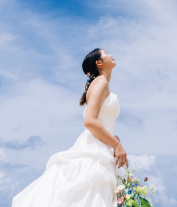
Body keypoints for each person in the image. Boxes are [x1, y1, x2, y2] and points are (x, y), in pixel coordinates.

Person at [12, 48, 128, 207]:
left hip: (103, 145)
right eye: (106, 53)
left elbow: (99, 120)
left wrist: (114, 139)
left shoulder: (101, 84)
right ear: (99, 62)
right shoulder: (101, 82)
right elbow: (90, 121)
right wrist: (117, 145)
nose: (111, 54)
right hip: (96, 148)